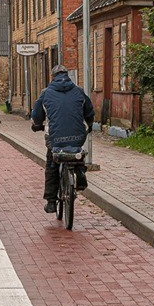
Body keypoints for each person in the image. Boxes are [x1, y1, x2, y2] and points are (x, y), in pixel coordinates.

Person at [31, 65, 94, 214]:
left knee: (52, 165)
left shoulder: (45, 94)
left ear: (53, 77)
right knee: (76, 151)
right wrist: (89, 125)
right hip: (78, 137)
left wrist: (37, 125)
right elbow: (89, 112)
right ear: (67, 76)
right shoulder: (79, 91)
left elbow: (37, 115)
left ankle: (51, 202)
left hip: (55, 139)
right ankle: (79, 171)